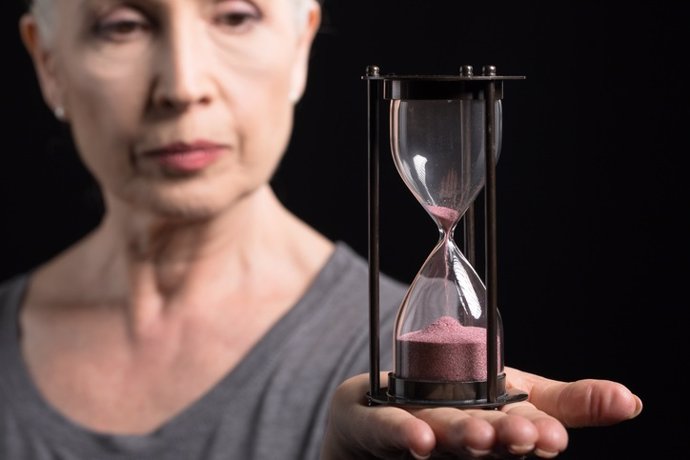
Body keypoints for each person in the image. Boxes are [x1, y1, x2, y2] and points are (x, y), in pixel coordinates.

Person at [0, 0, 642, 459]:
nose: (184, 86)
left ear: (303, 44)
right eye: (122, 24)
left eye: (235, 15)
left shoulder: (385, 341)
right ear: (48, 61)